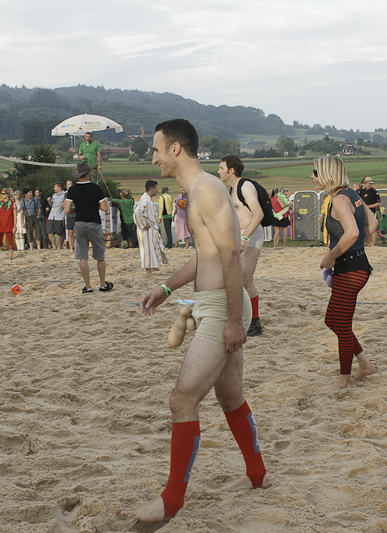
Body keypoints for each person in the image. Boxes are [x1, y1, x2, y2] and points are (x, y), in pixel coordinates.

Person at [121, 119, 269, 522]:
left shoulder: (207, 189)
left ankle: (171, 501)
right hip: (213, 304)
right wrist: (166, 288)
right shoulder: (198, 190)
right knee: (230, 397)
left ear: (175, 149)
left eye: (156, 149)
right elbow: (206, 255)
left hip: (223, 308)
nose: (153, 158)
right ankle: (256, 474)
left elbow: (232, 254)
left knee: (182, 400)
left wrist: (235, 320)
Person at [313, 156, 378, 391]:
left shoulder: (339, 199)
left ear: (327, 174)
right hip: (356, 265)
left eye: (316, 172)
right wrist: (358, 246)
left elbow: (352, 233)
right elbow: (372, 223)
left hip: (350, 270)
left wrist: (331, 256)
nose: (312, 177)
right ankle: (365, 364)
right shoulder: (351, 194)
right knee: (332, 320)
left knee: (340, 324)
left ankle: (344, 380)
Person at [218, 156, 264, 337]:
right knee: (234, 278)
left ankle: (255, 322)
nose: (218, 171)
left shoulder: (245, 186)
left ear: (231, 170)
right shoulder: (232, 189)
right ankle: (241, 318)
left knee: (245, 279)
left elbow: (258, 214)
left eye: (221, 168)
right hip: (239, 235)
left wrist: (245, 237)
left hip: (250, 235)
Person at [64, 161, 113, 294]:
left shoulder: (72, 189)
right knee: (99, 255)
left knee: (82, 256)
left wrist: (78, 208)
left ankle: (88, 286)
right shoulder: (96, 188)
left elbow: (67, 210)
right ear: (89, 173)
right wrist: (93, 205)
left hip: (79, 223)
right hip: (94, 223)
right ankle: (102, 284)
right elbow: (105, 208)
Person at [133, 180, 168, 274]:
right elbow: (137, 212)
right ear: (152, 189)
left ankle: (152, 268)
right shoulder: (146, 200)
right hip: (146, 230)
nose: (157, 190)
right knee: (147, 249)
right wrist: (143, 224)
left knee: (151, 248)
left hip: (149, 228)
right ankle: (148, 271)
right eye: (156, 188)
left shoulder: (147, 199)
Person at [358, 177, 381, 246]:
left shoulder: (374, 192)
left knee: (372, 228)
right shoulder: (361, 191)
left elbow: (378, 203)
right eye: (367, 183)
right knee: (365, 228)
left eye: (370, 183)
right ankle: (368, 243)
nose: (369, 185)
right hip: (363, 211)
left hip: (372, 211)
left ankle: (373, 244)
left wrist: (369, 206)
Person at [0, 188, 16, 260]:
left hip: (9, 223)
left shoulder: (13, 204)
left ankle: (10, 257)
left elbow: (15, 216)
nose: (2, 195)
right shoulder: (0, 204)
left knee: (10, 241)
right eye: (2, 193)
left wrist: (15, 226)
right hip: (0, 224)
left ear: (7, 194)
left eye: (3, 193)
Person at [47, 182, 67, 250]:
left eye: (55, 187)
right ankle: (54, 246)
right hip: (52, 215)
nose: (54, 188)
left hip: (60, 216)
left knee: (60, 233)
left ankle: (59, 246)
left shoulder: (64, 194)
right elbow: (52, 205)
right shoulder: (54, 195)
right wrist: (49, 201)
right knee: (49, 232)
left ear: (59, 187)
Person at [63, 179, 76, 251]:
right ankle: (71, 248)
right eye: (66, 184)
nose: (67, 186)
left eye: (68, 184)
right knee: (70, 232)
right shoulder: (66, 194)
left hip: (77, 214)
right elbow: (63, 204)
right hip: (70, 215)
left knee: (78, 232)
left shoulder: (77, 193)